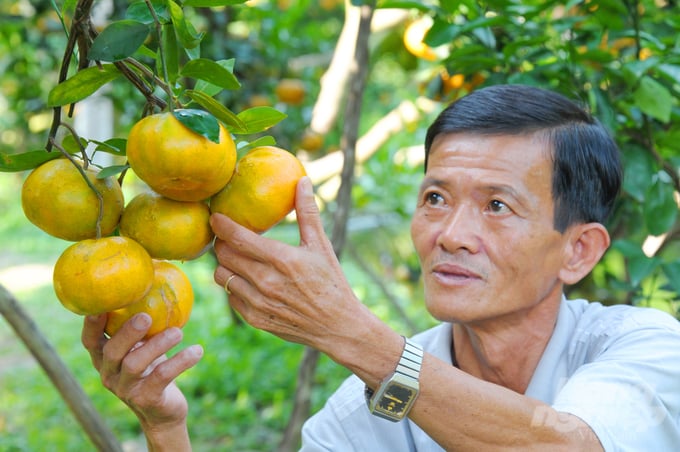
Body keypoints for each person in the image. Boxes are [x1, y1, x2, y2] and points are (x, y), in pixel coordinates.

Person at [82, 84, 680, 451]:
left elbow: (569, 447)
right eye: (435, 199)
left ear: (579, 250)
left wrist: (348, 330)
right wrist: (166, 431)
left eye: (497, 206)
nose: (451, 236)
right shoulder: (358, 417)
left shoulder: (643, 348)